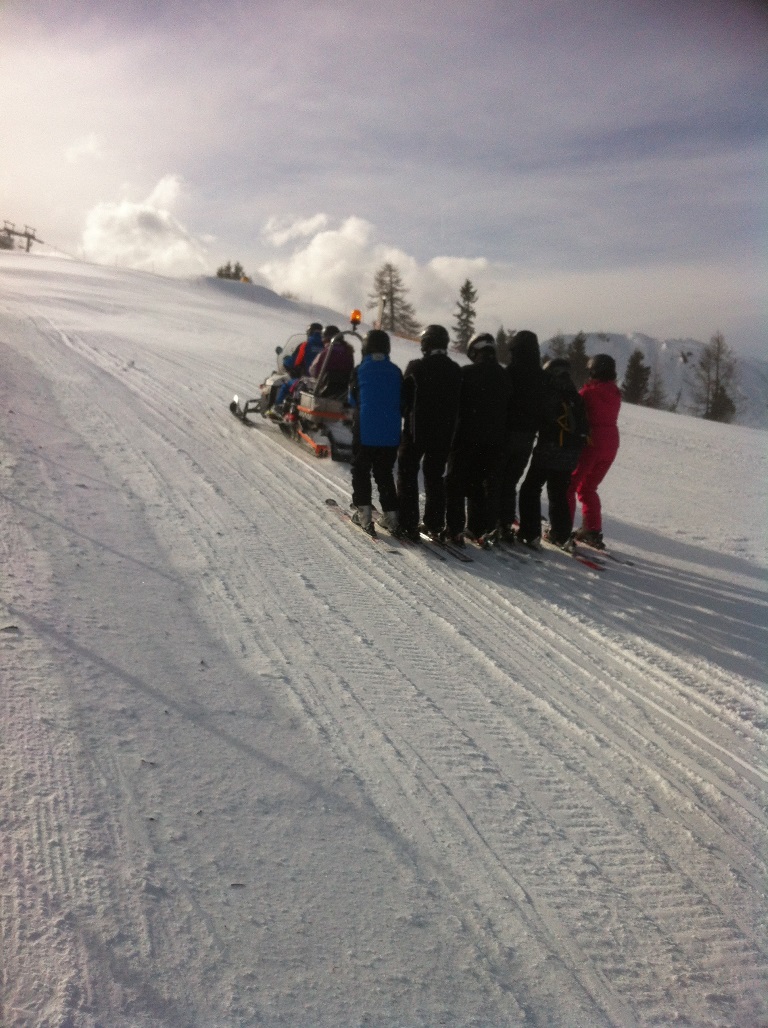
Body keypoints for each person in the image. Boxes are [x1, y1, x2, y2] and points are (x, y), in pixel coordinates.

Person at [396, 324, 462, 541]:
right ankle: (434, 523)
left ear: (426, 344)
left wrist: (408, 413)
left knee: (407, 473)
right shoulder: (455, 370)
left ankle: (408, 522)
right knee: (434, 476)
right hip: (444, 434)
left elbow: (402, 399)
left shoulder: (416, 367)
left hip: (417, 432)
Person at [444, 332, 510, 547]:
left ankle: (454, 530)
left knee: (455, 484)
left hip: (466, 437)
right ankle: (478, 528)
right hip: (495, 440)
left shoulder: (467, 373)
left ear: (475, 350)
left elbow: (454, 405)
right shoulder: (505, 376)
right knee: (479, 486)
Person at [517, 358, 589, 549]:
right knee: (558, 492)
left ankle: (529, 533)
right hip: (572, 454)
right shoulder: (575, 395)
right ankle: (561, 534)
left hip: (550, 450)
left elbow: (541, 420)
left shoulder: (550, 393)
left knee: (530, 489)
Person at [347, 329, 402, 536]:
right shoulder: (396, 371)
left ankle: (364, 514)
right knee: (384, 472)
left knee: (361, 470)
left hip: (366, 429)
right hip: (391, 432)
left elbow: (353, 399)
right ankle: (391, 516)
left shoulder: (360, 370)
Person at [567, 353, 621, 549]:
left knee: (570, 484)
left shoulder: (588, 393)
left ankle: (563, 528)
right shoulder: (615, 393)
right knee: (588, 487)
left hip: (593, 442)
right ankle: (592, 529)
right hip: (611, 443)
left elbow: (573, 406)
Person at [498, 330, 544, 541]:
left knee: (497, 479)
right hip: (527, 437)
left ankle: (494, 523)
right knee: (511, 483)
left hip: (507, 433)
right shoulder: (542, 377)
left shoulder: (510, 372)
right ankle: (506, 523)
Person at [271, 322, 324, 411]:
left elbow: (295, 362)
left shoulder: (305, 345)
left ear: (310, 332)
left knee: (285, 386)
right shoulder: (325, 347)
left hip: (305, 380)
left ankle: (277, 407)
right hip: (319, 382)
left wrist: (286, 360)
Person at [309, 326, 355, 398]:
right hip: (343, 391)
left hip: (324, 390)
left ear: (325, 339)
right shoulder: (348, 352)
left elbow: (313, 370)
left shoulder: (326, 352)